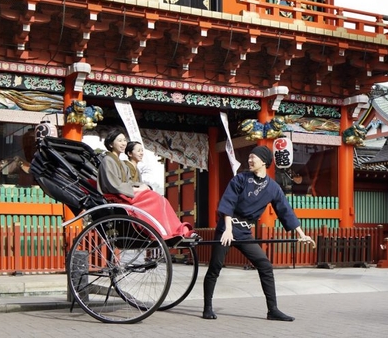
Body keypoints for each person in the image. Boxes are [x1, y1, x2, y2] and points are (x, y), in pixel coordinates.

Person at [202, 145, 315, 322]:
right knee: (215, 267)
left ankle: (273, 310)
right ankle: (207, 308)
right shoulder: (240, 179)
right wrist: (228, 229)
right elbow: (228, 203)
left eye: (253, 157)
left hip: (245, 233)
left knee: (265, 265)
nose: (250, 160)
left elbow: (285, 211)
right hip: (227, 229)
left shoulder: (273, 188)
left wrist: (301, 234)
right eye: (249, 157)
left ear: (264, 162)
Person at [97, 131, 195, 239]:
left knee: (161, 199)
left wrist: (141, 187)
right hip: (117, 195)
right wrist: (136, 189)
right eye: (119, 141)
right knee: (154, 199)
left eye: (124, 140)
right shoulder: (108, 160)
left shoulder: (120, 162)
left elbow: (128, 182)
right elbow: (114, 185)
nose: (123, 143)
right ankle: (162, 232)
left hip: (125, 192)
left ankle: (176, 230)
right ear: (111, 144)